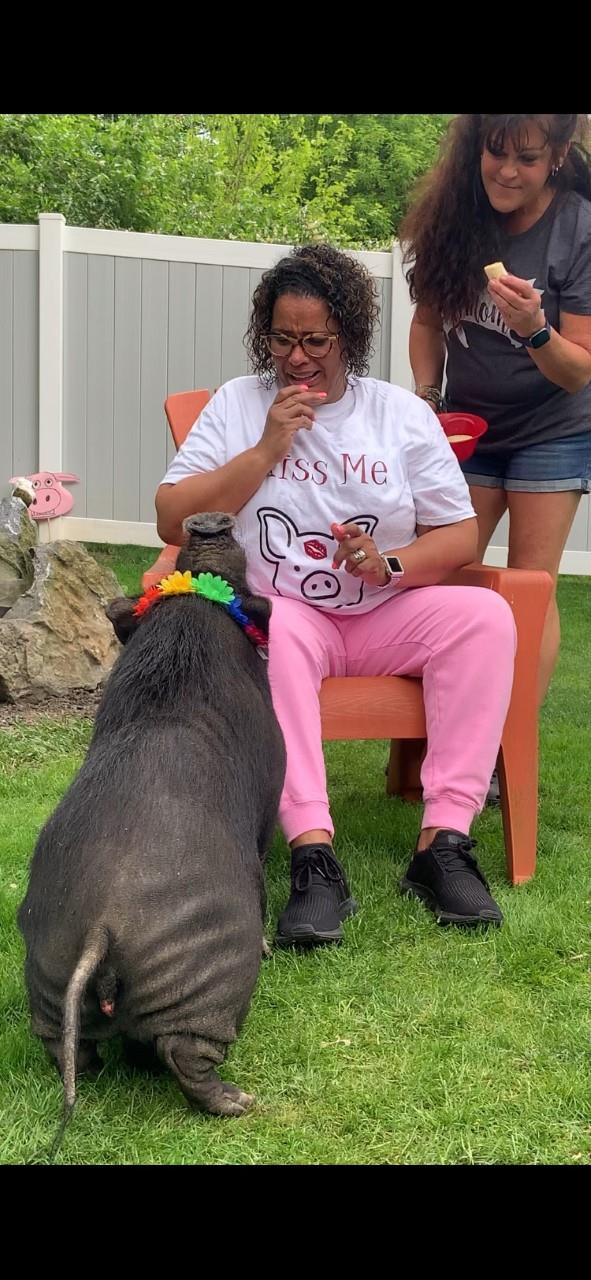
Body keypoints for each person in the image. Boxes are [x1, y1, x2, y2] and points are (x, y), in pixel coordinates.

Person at [155, 243, 516, 947]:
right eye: (283, 340)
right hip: (288, 613)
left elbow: (459, 535)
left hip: (383, 611)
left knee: (484, 616)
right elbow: (173, 517)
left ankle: (442, 846)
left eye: (315, 340)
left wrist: (386, 561)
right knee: (277, 626)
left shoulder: (396, 416)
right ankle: (313, 857)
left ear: (347, 336)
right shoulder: (238, 404)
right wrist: (263, 450)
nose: (296, 357)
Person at [400, 114, 591, 720]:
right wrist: (429, 399)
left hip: (553, 431)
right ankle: (432, 738)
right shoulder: (456, 216)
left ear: (558, 155)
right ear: (475, 147)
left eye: (528, 159)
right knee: (447, 577)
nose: (507, 171)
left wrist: (536, 330)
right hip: (469, 428)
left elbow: (578, 370)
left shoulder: (579, 230)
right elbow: (427, 324)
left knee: (530, 590)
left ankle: (509, 746)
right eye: (496, 152)